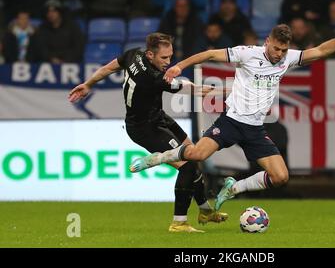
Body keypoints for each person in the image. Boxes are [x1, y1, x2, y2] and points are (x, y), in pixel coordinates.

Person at [130, 20, 335, 211]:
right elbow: (210, 54)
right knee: (195, 154)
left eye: (283, 50)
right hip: (231, 121)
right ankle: (156, 159)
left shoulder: (289, 58)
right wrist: (179, 67)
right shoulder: (247, 53)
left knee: (281, 177)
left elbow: (322, 50)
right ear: (267, 42)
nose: (279, 54)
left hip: (255, 129)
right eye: (276, 48)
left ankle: (234, 188)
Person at [68, 33, 228, 232]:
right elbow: (195, 90)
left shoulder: (133, 54)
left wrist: (88, 84)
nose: (168, 63)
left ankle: (205, 211)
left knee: (194, 157)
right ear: (150, 55)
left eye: (170, 57)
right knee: (187, 166)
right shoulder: (154, 78)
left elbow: (109, 68)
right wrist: (230, 92)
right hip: (145, 129)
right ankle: (179, 223)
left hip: (158, 118)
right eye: (164, 58)